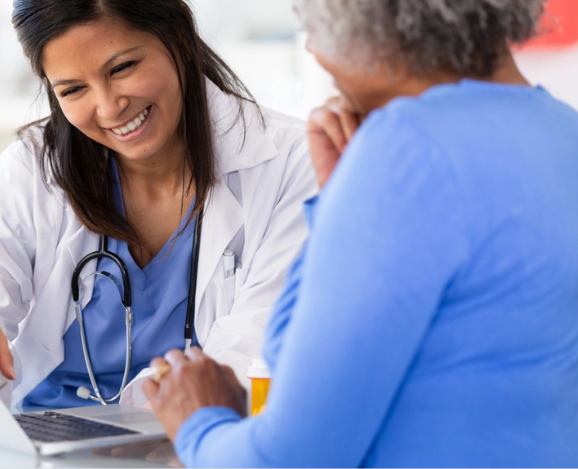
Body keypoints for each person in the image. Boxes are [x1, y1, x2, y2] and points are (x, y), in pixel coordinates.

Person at [142, 0, 578, 466]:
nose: (312, 49)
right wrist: (340, 203)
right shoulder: (561, 131)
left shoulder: (406, 151)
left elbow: (290, 459)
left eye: (314, 26)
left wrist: (198, 422)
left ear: (372, 23)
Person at [0, 0, 317, 410]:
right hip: (42, 444)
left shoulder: (291, 165)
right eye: (73, 89)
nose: (109, 107)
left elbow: (256, 350)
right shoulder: (30, 170)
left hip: (189, 441)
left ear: (179, 37)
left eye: (121, 68)